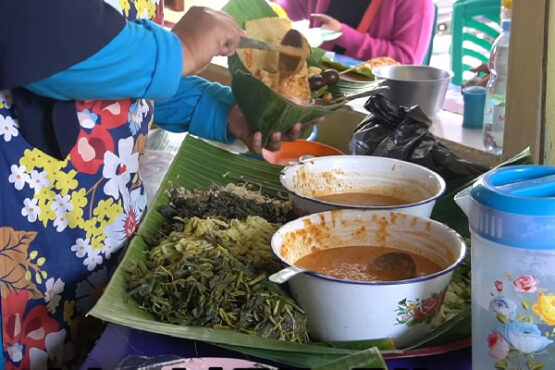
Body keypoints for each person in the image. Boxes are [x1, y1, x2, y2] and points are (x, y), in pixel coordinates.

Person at [0, 2, 309, 368]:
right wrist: (182, 51)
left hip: (106, 233)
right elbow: (42, 43)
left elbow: (119, 76)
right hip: (28, 236)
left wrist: (218, 109)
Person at [275, 0, 435, 65]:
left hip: (372, 98)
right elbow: (286, 8)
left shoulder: (417, 3)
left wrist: (344, 35)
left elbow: (406, 62)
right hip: (320, 84)